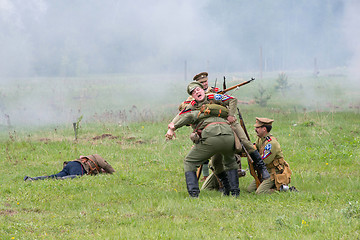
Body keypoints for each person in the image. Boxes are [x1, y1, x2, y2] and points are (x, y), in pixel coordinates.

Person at [166, 81, 240, 198]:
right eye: (193, 92)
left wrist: (173, 128)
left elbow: (187, 116)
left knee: (189, 161)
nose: (196, 92)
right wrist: (171, 126)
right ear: (192, 96)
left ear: (203, 90)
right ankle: (234, 192)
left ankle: (194, 195)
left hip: (212, 137)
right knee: (228, 161)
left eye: (198, 89)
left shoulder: (208, 100)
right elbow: (181, 114)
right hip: (229, 136)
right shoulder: (195, 105)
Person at [247, 118, 292, 194]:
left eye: (258, 128)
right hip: (265, 171)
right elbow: (255, 148)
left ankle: (283, 189)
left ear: (264, 129)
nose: (255, 129)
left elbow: (264, 161)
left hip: (274, 172)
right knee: (250, 190)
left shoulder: (271, 143)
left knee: (260, 192)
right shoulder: (260, 139)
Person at [24, 154, 115, 181]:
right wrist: (114, 173)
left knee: (54, 176)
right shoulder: (96, 157)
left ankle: (33, 179)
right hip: (78, 166)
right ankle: (62, 179)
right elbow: (106, 165)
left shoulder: (94, 169)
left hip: (70, 165)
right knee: (76, 176)